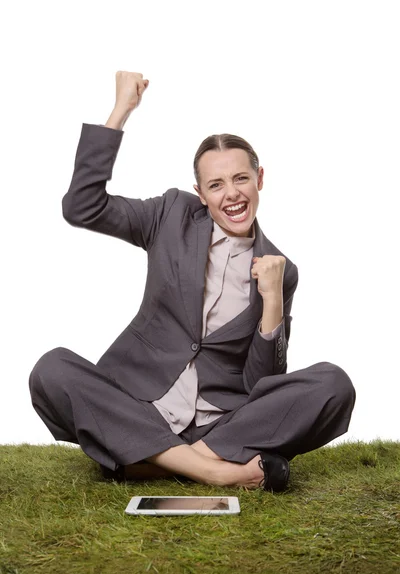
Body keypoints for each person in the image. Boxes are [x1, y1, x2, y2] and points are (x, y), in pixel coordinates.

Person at [29, 71, 356, 492]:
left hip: (220, 425)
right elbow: (82, 207)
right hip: (137, 406)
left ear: (260, 179)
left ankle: (149, 461)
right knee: (51, 369)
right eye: (216, 185)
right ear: (200, 194)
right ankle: (212, 471)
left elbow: (261, 387)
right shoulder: (170, 215)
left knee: (334, 384)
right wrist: (121, 111)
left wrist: (271, 299)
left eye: (240, 179)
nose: (231, 195)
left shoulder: (281, 269)